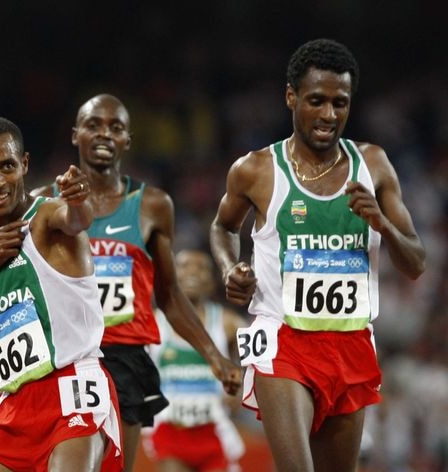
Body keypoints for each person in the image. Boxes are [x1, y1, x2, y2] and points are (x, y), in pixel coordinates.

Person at [209, 38, 426, 472]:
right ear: (291, 97)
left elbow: (415, 263)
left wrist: (383, 224)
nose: (329, 115)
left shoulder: (374, 165)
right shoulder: (256, 169)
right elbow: (222, 227)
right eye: (316, 101)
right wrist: (230, 266)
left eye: (340, 103)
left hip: (350, 342)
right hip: (281, 339)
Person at [33, 94, 242, 472]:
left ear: (128, 140)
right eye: (93, 125)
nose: (103, 134)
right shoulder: (44, 203)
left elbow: (170, 295)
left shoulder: (153, 206)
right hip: (65, 358)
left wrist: (215, 357)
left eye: (115, 128)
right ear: (75, 134)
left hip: (125, 357)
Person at [0, 115, 122, 472]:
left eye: (6, 166)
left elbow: (76, 220)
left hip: (73, 389)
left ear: (24, 165)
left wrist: (79, 200)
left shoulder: (47, 217)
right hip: (14, 404)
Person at [143, 249, 246, 472]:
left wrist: (241, 388)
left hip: (214, 426)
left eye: (201, 268)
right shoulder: (153, 323)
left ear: (212, 281)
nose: (193, 272)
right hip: (169, 429)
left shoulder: (228, 323)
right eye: (185, 265)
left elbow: (257, 355)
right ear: (172, 274)